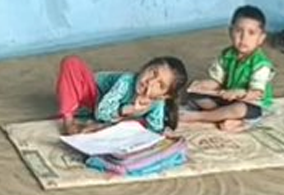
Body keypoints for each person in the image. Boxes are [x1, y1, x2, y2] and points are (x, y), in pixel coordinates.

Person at [181, 4, 275, 133]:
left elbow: (256, 93)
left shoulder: (261, 64)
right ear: (230, 31)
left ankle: (200, 116)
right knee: (195, 95)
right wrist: (204, 85)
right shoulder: (227, 54)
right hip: (227, 97)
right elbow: (218, 81)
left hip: (251, 103)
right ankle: (224, 117)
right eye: (238, 31)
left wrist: (238, 93)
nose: (243, 38)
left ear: (261, 38)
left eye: (251, 33)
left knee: (238, 109)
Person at [55, 54, 189, 136]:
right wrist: (128, 109)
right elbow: (100, 113)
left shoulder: (157, 102)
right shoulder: (126, 81)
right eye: (153, 73)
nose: (150, 82)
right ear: (145, 67)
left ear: (163, 96)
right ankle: (69, 122)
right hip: (93, 95)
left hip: (104, 114)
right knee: (71, 62)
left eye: (160, 85)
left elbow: (155, 129)